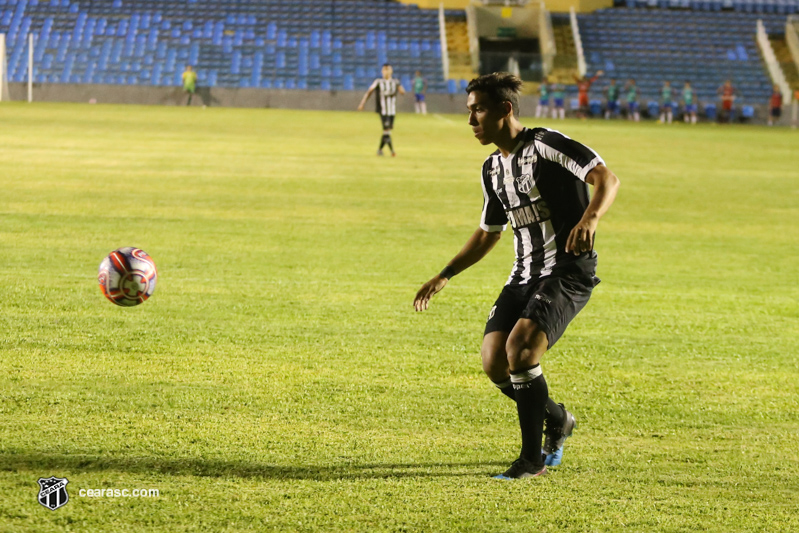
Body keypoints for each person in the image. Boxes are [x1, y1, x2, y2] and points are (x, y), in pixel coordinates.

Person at [413, 72, 620, 480]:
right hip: (524, 273)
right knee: (495, 363)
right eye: (469, 111)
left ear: (505, 109)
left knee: (522, 350)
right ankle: (558, 418)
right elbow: (489, 232)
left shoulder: (547, 145)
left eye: (479, 110)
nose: (471, 120)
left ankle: (531, 462)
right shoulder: (493, 168)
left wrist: (590, 217)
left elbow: (606, 178)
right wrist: (446, 274)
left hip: (567, 270)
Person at [358, 63, 406, 156]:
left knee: (387, 132)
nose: (386, 71)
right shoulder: (378, 82)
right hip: (383, 111)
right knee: (387, 130)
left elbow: (402, 92)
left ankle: (379, 150)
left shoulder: (395, 82)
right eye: (384, 70)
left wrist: (400, 88)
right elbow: (369, 92)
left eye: (388, 69)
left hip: (392, 111)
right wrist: (362, 103)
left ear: (391, 71)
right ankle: (392, 151)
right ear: (382, 71)